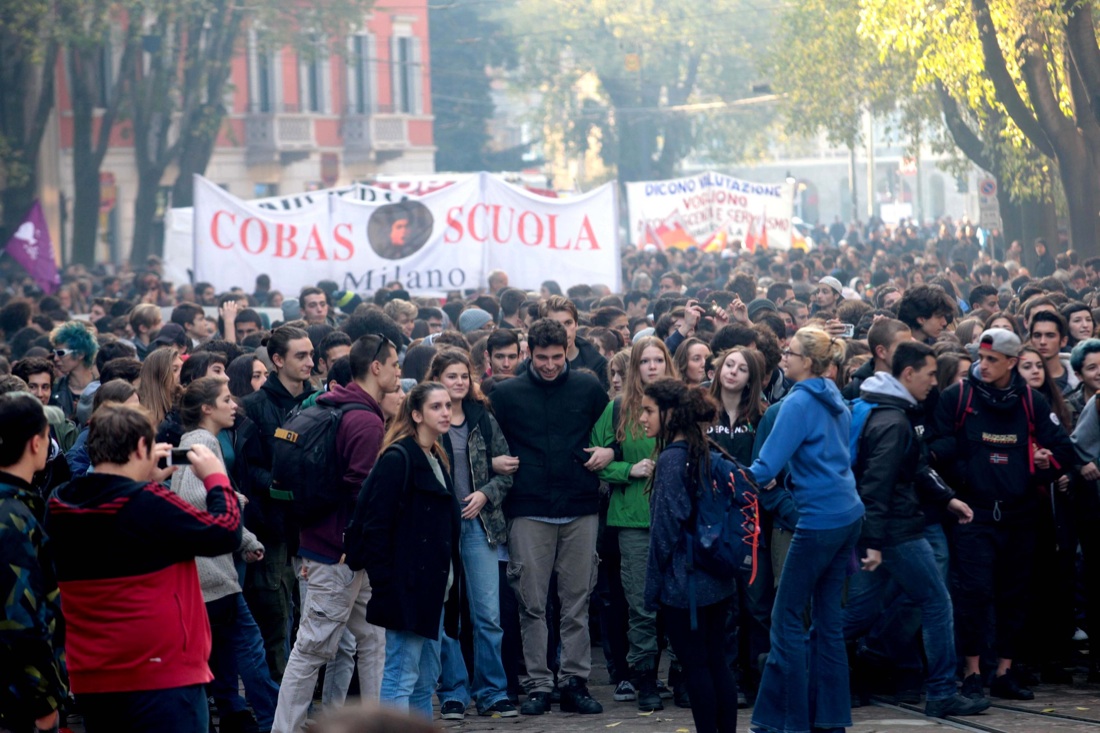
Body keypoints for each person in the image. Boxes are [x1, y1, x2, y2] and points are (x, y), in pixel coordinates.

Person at [46, 403, 243, 732]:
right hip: (163, 677)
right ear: (141, 447)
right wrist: (217, 479)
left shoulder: (60, 502)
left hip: (93, 676)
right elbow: (225, 532)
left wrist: (141, 478)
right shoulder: (148, 502)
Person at [929, 328, 1076, 701]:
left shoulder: (1031, 401)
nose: (984, 365)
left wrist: (1040, 465)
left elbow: (1063, 449)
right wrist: (957, 482)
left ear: (1012, 363)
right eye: (981, 357)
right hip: (973, 513)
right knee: (974, 594)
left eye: (993, 359)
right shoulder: (958, 395)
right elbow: (937, 447)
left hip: (1020, 513)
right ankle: (973, 671)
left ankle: (1005, 672)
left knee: (1015, 595)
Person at [843, 341, 987, 718]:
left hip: (886, 533)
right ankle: (941, 692)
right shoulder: (893, 422)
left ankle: (792, 661)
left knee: (859, 614)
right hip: (897, 533)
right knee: (937, 603)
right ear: (908, 374)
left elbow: (915, 470)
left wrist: (947, 499)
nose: (934, 384)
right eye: (928, 375)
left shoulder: (891, 412)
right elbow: (876, 486)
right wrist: (873, 542)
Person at [273, 334, 399, 733]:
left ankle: (376, 724)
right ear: (375, 367)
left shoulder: (346, 407)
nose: (400, 372)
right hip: (339, 553)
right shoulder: (364, 419)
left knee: (373, 638)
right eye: (395, 364)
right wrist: (357, 543)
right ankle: (285, 729)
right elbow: (362, 491)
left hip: (343, 550)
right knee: (312, 648)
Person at [489, 318, 610, 716]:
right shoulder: (507, 394)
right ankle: (538, 682)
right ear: (529, 354)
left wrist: (610, 451)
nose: (550, 365)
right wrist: (493, 461)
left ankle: (574, 681)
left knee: (577, 601)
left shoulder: (588, 386)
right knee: (532, 602)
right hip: (528, 507)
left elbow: (611, 431)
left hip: (579, 505)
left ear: (567, 350)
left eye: (557, 357)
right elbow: (488, 440)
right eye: (542, 358)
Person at [748, 327, 865, 733]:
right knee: (828, 624)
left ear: (807, 362)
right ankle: (830, 719)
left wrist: (726, 474)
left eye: (791, 351)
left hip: (817, 522)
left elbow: (765, 468)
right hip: (847, 515)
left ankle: (784, 721)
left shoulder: (797, 403)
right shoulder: (835, 397)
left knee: (786, 622)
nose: (785, 356)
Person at [346, 382, 461, 719]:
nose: (445, 412)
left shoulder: (435, 455)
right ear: (416, 414)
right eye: (436, 407)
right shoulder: (399, 458)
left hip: (435, 588)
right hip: (407, 589)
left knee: (425, 681)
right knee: (400, 676)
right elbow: (374, 526)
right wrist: (387, 585)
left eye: (447, 406)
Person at [172, 377, 278, 733]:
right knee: (250, 650)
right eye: (226, 399)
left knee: (222, 655)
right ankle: (273, 721)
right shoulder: (201, 442)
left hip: (209, 572)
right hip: (212, 576)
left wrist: (246, 540)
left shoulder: (201, 441)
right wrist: (232, 499)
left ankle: (237, 715)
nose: (234, 406)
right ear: (206, 408)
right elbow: (192, 500)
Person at [642, 378, 743, 733]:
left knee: (696, 666)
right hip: (718, 578)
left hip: (685, 586)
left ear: (670, 414)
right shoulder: (705, 451)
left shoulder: (671, 459)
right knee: (717, 663)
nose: (643, 418)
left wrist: (652, 589)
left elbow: (664, 533)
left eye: (649, 410)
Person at [427, 349, 518, 719]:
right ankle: (453, 691)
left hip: (480, 525)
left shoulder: (482, 417)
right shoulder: (430, 420)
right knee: (449, 615)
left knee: (488, 614)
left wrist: (485, 494)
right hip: (440, 528)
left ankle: (492, 691)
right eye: (452, 376)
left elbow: (507, 470)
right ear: (437, 379)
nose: (460, 382)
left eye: (464, 375)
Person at [588, 336, 677, 711]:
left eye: (659, 359)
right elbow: (594, 457)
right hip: (633, 519)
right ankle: (645, 679)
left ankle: (681, 676)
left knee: (677, 602)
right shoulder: (619, 408)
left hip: (676, 519)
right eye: (645, 361)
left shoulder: (679, 406)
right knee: (641, 604)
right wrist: (629, 468)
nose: (653, 366)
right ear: (635, 367)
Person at [242, 325, 316, 681]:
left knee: (314, 619)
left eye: (311, 354)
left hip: (314, 526)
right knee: (276, 620)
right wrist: (275, 485)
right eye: (301, 355)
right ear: (277, 359)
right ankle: (277, 705)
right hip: (272, 528)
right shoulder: (254, 407)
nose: (310, 362)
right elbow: (246, 467)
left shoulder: (319, 402)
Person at [0, 393, 67, 733]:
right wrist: (44, 701)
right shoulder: (11, 516)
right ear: (36, 442)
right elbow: (19, 620)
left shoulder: (17, 504)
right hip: (17, 703)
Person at [540, 295, 609, 390]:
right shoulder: (530, 366)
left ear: (576, 324)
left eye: (568, 323)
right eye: (556, 324)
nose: (563, 330)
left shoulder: (598, 364)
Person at [51, 320, 99, 420]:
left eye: (61, 353)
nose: (55, 358)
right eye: (54, 353)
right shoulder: (54, 389)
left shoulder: (101, 389)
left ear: (81, 354)